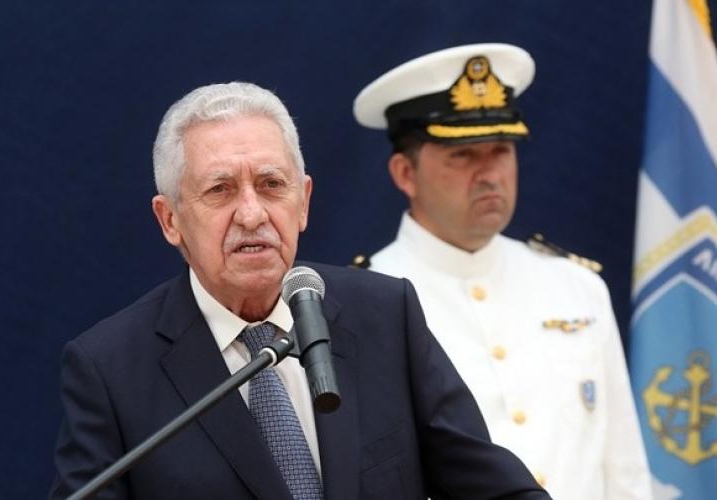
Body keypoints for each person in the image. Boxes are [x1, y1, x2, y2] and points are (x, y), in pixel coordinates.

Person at [49, 81, 551, 499]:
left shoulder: (384, 316)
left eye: (271, 184)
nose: (252, 214)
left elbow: (497, 490)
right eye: (220, 190)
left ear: (304, 201)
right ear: (170, 220)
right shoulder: (110, 370)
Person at [353, 44, 652, 499]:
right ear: (405, 174)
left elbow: (625, 472)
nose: (489, 173)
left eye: (500, 150)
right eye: (462, 155)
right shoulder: (364, 304)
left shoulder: (577, 288)